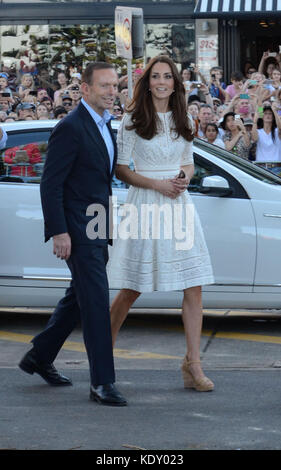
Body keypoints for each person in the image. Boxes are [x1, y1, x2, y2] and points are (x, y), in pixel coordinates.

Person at [19, 62, 127, 407]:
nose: (112, 92)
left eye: (115, 86)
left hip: (98, 227)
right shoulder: (71, 127)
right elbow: (50, 184)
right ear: (85, 89)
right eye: (105, 86)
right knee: (95, 303)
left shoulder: (106, 125)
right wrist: (60, 232)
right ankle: (102, 383)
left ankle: (39, 356)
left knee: (77, 299)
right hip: (78, 231)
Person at [107, 55, 214, 392]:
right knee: (132, 287)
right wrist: (158, 185)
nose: (162, 82)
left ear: (175, 82)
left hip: (179, 205)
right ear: (147, 81)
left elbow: (189, 163)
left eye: (168, 76)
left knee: (193, 284)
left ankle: (193, 364)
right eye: (156, 76)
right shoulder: (132, 119)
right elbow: (121, 169)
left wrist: (182, 177)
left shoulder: (185, 118)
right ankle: (102, 357)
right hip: (146, 204)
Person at [251, 104, 281, 168]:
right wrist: (255, 120)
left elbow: (280, 127)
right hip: (261, 166)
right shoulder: (258, 131)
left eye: (270, 114)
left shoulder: (277, 131)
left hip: (276, 166)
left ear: (273, 116)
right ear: (262, 116)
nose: (268, 115)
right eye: (265, 113)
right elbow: (254, 138)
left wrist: (274, 111)